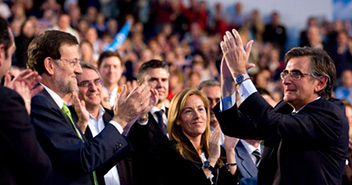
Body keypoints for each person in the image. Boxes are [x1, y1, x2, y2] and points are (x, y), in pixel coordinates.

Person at [216, 29, 348, 185]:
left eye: (296, 74)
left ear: (320, 83)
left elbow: (270, 121)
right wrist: (227, 81)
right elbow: (235, 127)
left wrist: (240, 74)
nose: (286, 81)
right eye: (286, 73)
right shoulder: (286, 108)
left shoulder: (331, 114)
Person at [27, 30, 158, 185]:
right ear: (50, 65)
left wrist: (126, 123)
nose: (79, 70)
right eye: (73, 62)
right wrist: (120, 118)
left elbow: (92, 166)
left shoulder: (53, 105)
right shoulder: (40, 104)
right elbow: (83, 160)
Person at [0, 16, 51, 185]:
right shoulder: (8, 102)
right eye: (12, 52)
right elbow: (39, 167)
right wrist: (21, 111)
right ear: (1, 52)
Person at [154, 88, 239, 185]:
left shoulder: (216, 149)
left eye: (200, 109)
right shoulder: (166, 151)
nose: (197, 115)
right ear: (177, 119)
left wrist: (230, 150)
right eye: (188, 111)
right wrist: (211, 161)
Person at [70, 62, 133, 185]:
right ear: (74, 89)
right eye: (85, 83)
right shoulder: (70, 121)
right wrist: (81, 124)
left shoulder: (114, 117)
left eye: (97, 82)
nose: (93, 88)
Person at [127, 59, 170, 185]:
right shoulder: (130, 118)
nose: (160, 84)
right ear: (140, 85)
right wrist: (142, 116)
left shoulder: (177, 116)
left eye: (164, 80)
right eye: (153, 80)